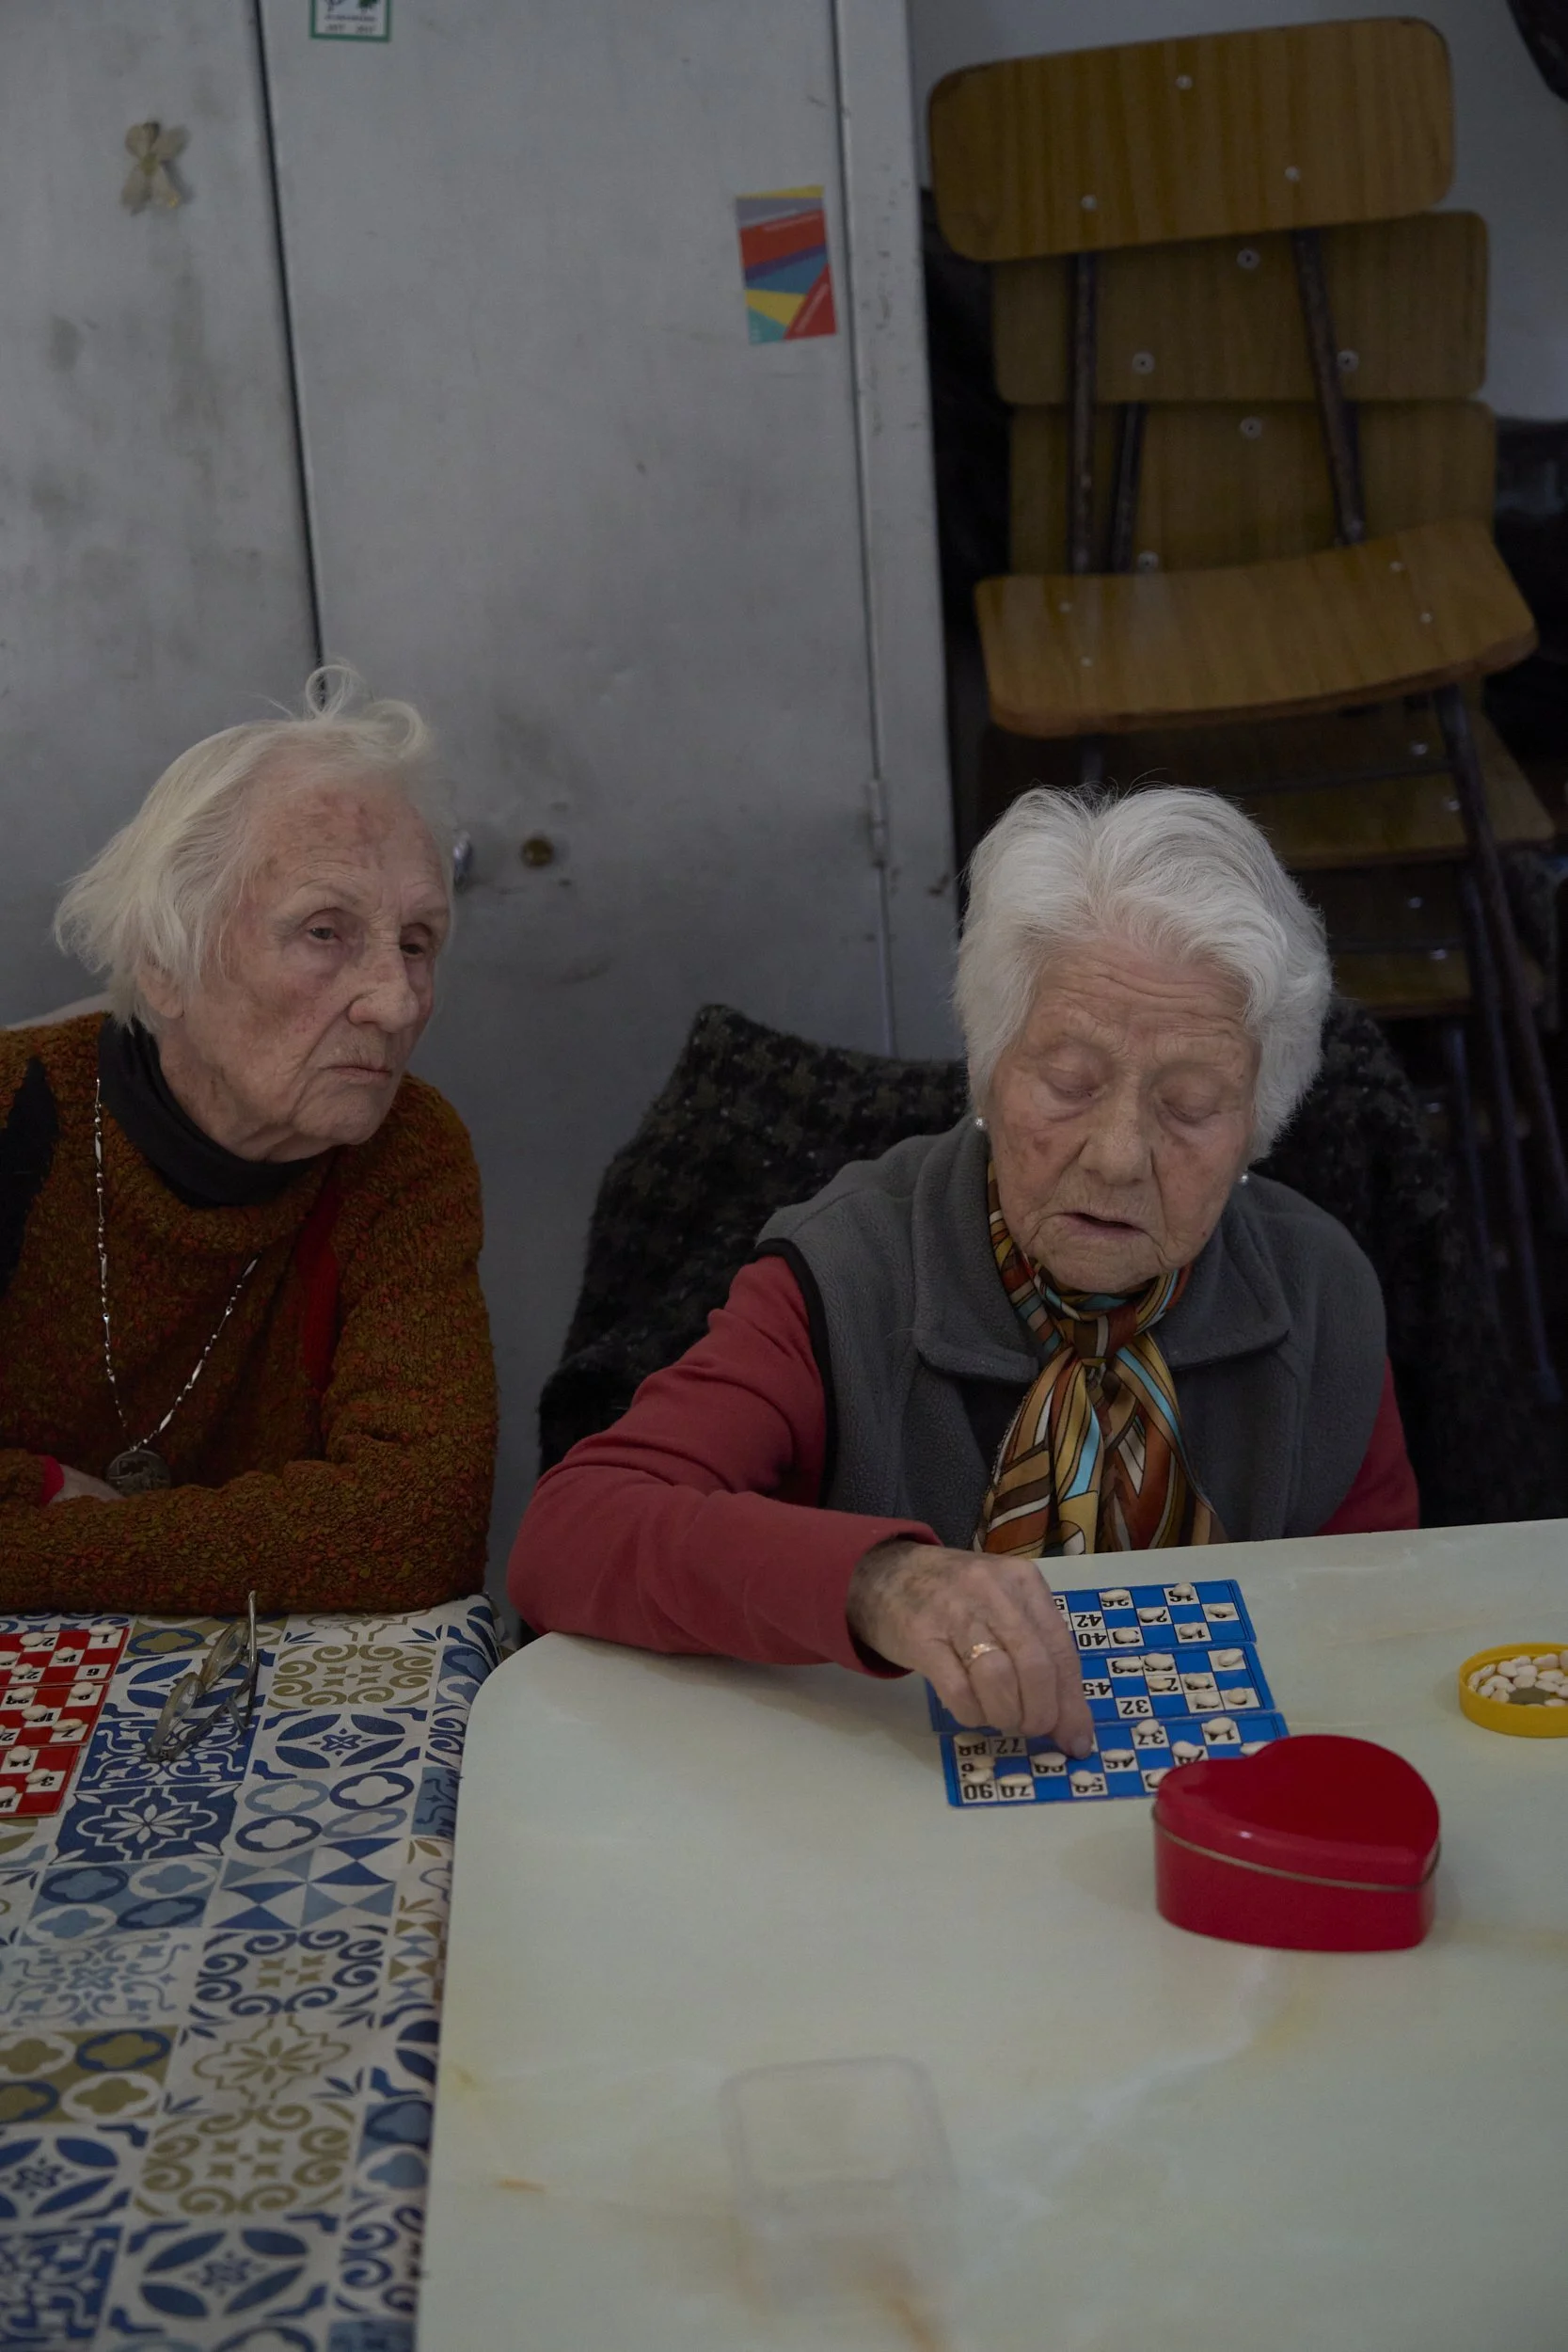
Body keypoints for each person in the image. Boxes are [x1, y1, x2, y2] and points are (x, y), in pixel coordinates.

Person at [510, 787, 1417, 1756]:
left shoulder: (1317, 1290)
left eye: (1191, 1107)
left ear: (1255, 1130)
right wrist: (882, 1583)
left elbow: (1382, 1633)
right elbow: (571, 1535)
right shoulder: (846, 1275)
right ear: (988, 1071)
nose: (1117, 1156)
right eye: (1067, 1083)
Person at [0, 669, 497, 1613]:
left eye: (417, 941)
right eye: (324, 930)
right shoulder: (12, 1110)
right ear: (166, 961)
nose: (395, 1002)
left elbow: (421, 1529)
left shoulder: (404, 1150)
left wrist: (40, 1529)